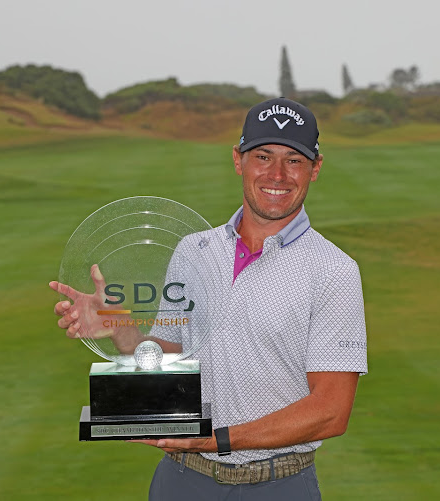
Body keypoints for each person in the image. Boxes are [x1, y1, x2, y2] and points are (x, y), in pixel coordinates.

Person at [50, 97, 367, 500]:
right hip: (182, 481)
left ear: (315, 168)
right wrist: (119, 328)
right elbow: (174, 357)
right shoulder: (193, 250)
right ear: (238, 160)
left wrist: (214, 440)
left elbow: (330, 412)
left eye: (294, 160)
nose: (277, 174)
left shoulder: (334, 270)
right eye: (263, 156)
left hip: (278, 485)